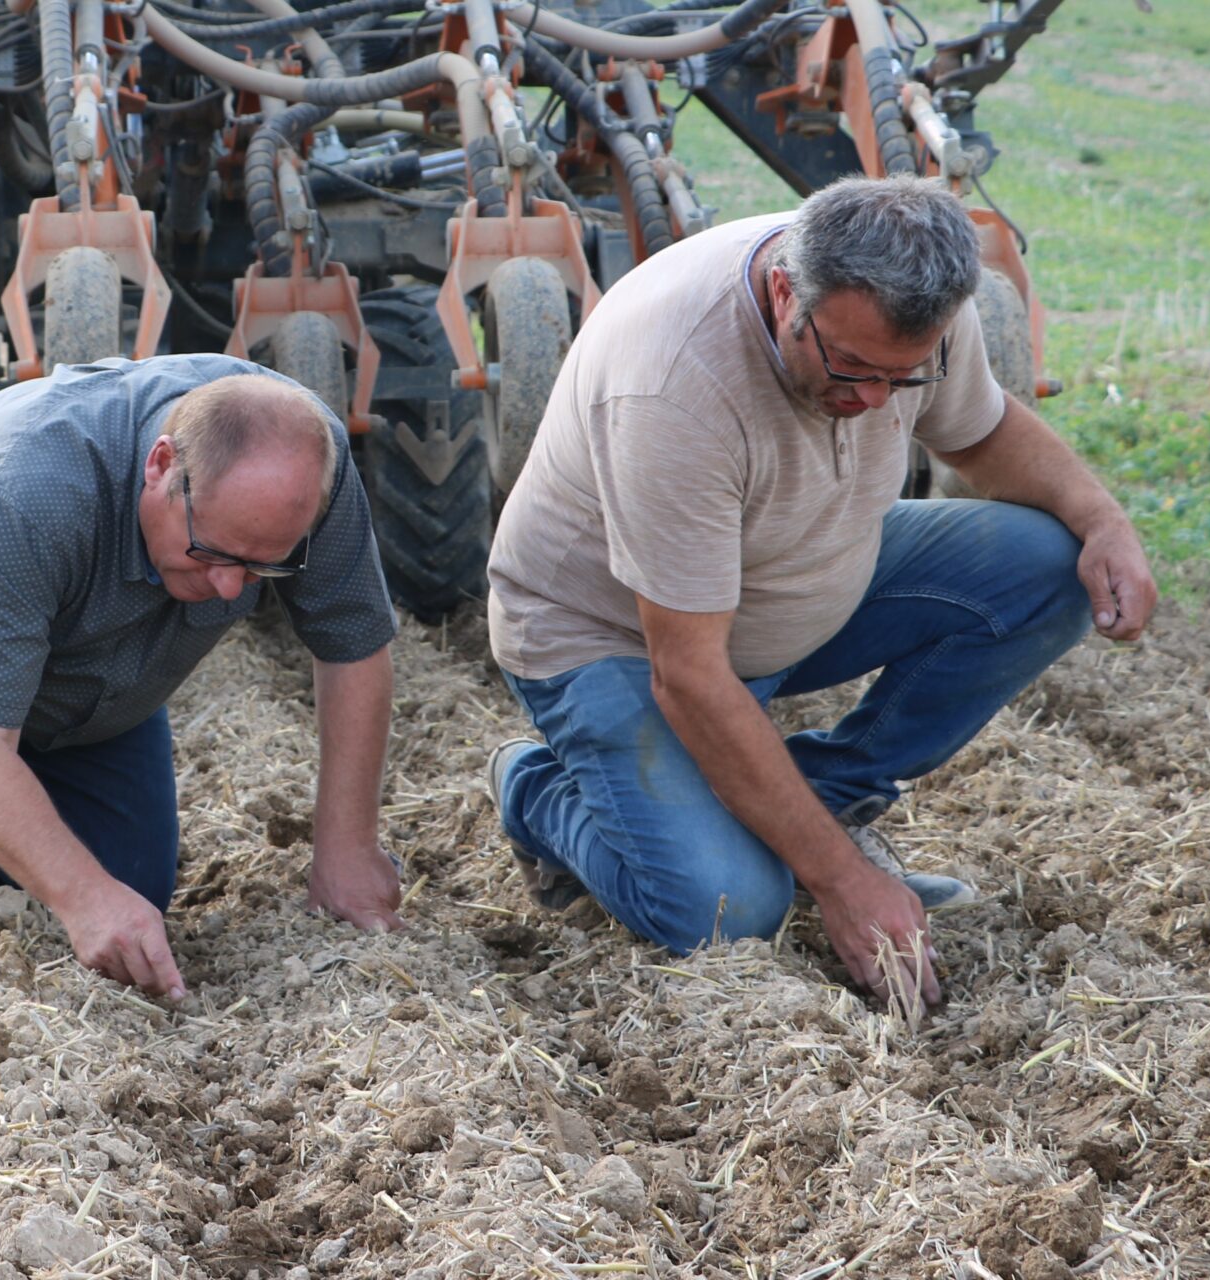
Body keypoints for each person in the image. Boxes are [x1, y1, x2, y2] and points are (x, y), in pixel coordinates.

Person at [484, 175, 1157, 1008]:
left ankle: (813, 804)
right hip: (610, 639)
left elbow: (981, 432)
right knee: (726, 912)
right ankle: (535, 789)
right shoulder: (671, 382)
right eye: (850, 367)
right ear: (782, 291)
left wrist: (1103, 519)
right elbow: (689, 675)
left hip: (796, 571)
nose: (872, 400)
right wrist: (843, 885)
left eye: (900, 379)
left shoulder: (920, 307)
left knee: (1048, 562)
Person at [0, 357, 404, 995]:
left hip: (89, 683)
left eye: (264, 568)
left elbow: (353, 646)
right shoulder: (29, 487)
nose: (231, 586)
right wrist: (84, 899)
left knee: (132, 886)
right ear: (161, 467)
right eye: (212, 552)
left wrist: (347, 847)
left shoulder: (309, 462)